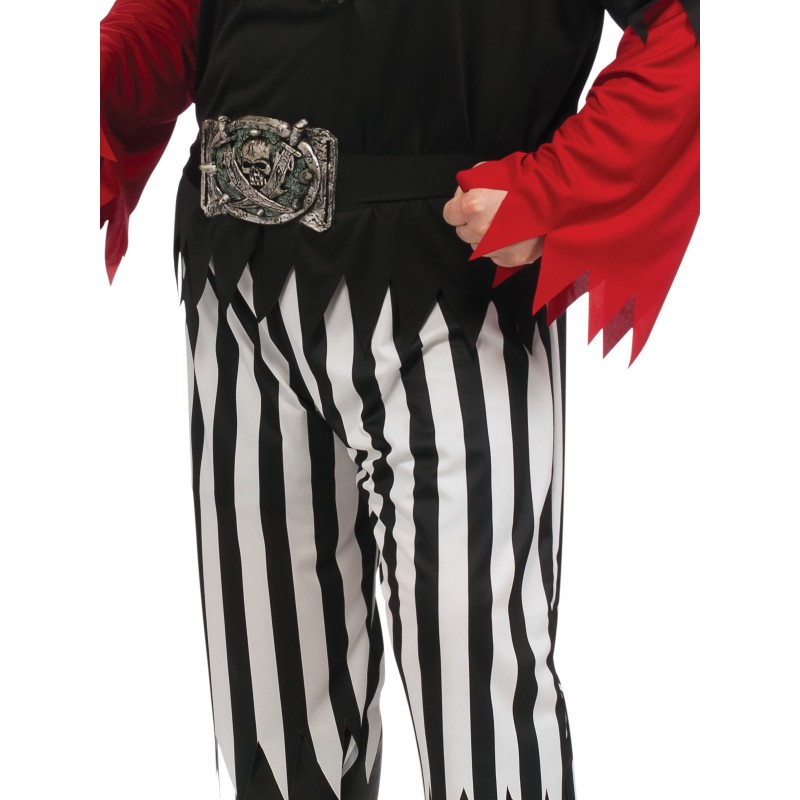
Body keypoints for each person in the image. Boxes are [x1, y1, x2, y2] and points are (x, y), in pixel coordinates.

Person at [100, 0, 699, 798]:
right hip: (237, 287)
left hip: (449, 285)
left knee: (482, 708)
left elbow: (697, 27)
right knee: (277, 736)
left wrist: (555, 191)